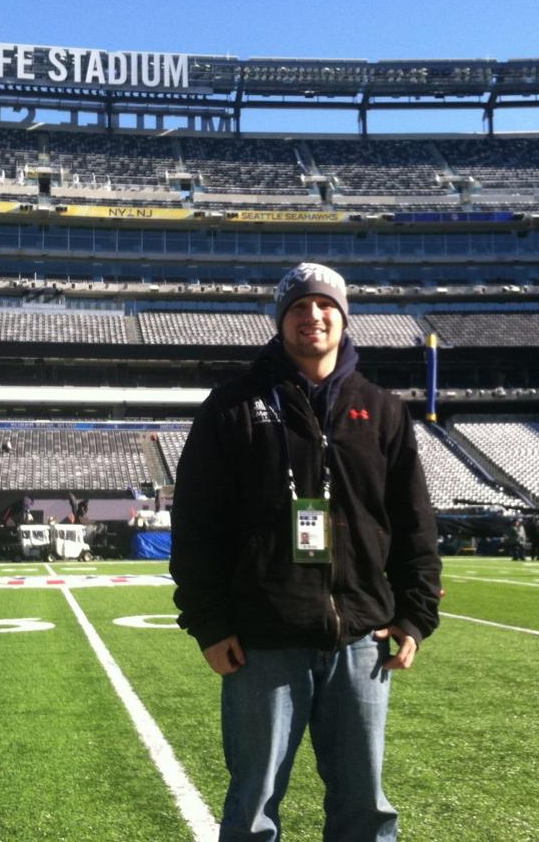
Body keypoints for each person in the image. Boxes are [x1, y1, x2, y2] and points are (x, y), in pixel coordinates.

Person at [170, 261, 442, 842]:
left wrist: (415, 617)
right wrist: (208, 622)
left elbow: (414, 525)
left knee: (364, 807)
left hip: (361, 641)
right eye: (298, 307)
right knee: (254, 806)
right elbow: (195, 525)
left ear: (343, 319)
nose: (312, 316)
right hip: (262, 640)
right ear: (281, 320)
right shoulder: (233, 405)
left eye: (325, 306)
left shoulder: (384, 410)